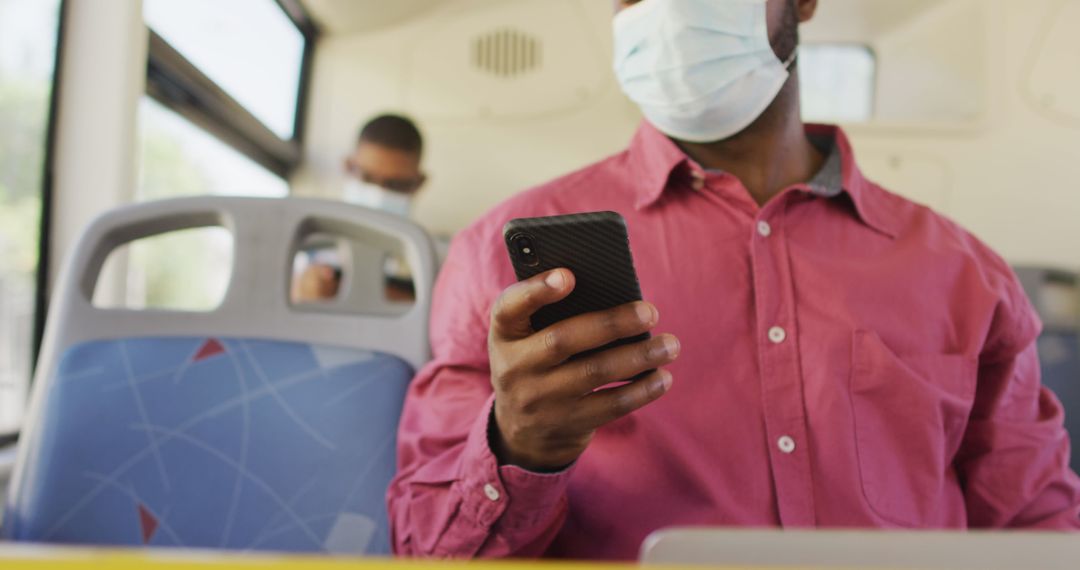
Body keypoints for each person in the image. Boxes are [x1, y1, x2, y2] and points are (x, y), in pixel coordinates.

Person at [387, 0, 1080, 561]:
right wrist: (518, 449)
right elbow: (426, 551)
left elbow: (1038, 524)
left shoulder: (963, 275)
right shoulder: (499, 255)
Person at [292, 113, 427, 304]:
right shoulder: (304, 246)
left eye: (395, 185)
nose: (379, 193)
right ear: (348, 167)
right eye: (367, 179)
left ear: (419, 184)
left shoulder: (428, 263)